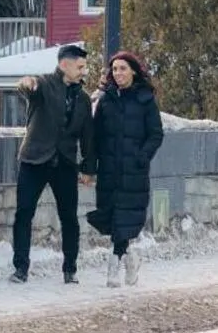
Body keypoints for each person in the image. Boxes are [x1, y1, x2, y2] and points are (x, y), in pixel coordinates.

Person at [9, 44, 94, 284]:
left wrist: (88, 167)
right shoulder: (44, 85)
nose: (83, 72)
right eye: (79, 67)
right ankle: (21, 268)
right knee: (24, 213)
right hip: (35, 159)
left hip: (65, 162)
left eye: (84, 67)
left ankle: (70, 269)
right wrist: (25, 83)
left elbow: (88, 135)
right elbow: (28, 88)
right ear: (64, 65)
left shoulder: (83, 99)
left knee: (69, 217)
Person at [85, 50, 164, 287]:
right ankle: (130, 258)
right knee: (111, 217)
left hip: (133, 171)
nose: (118, 73)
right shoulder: (107, 99)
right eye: (115, 69)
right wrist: (91, 166)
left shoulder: (145, 99)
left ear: (133, 71)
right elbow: (95, 135)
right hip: (109, 170)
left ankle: (114, 262)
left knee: (124, 218)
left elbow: (155, 134)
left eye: (122, 68)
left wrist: (142, 157)